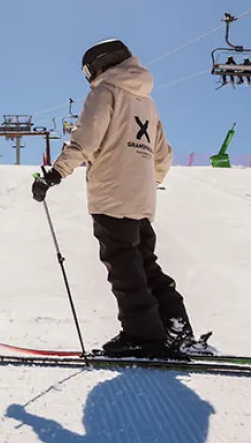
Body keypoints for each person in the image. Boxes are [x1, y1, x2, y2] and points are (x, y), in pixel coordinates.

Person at [31, 39, 211, 358]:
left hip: (112, 194)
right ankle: (175, 327)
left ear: (102, 64)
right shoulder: (147, 103)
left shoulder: (105, 92)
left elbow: (85, 140)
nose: (89, 78)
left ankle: (141, 335)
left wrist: (55, 174)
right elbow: (162, 156)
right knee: (146, 264)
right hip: (141, 199)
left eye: (89, 70)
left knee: (124, 267)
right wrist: (144, 183)